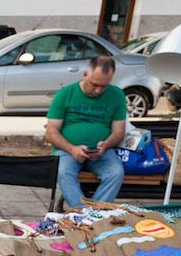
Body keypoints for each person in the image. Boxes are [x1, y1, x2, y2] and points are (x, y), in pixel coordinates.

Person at [45, 55, 127, 208]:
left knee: (115, 173)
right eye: (94, 84)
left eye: (104, 86)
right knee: (63, 172)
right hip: (67, 151)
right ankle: (84, 214)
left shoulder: (117, 95)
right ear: (85, 75)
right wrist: (72, 149)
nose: (98, 90)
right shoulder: (65, 94)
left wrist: (106, 145)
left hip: (101, 152)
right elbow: (51, 131)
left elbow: (119, 131)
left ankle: (92, 214)